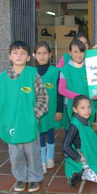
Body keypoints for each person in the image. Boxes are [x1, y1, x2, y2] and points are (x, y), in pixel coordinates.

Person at [0, 41, 48, 192]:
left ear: (28, 57)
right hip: (11, 124)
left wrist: (33, 117)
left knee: (32, 153)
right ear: (9, 56)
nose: (19, 56)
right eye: (15, 53)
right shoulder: (1, 79)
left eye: (23, 53)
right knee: (15, 154)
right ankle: (20, 178)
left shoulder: (32, 75)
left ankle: (35, 178)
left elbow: (43, 98)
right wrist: (5, 118)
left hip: (29, 123)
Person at [62, 95, 97, 188]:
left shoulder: (84, 119)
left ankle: (86, 169)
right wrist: (78, 157)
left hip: (87, 154)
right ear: (75, 109)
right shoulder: (74, 125)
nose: (87, 110)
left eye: (89, 107)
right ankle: (82, 173)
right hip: (82, 159)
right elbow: (65, 146)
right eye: (83, 108)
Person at [34, 41, 63, 174]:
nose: (42, 56)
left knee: (50, 133)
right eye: (39, 53)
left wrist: (59, 110)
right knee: (40, 134)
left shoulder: (56, 71)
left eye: (45, 53)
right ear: (34, 55)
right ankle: (42, 159)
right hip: (38, 111)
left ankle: (50, 157)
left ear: (50, 54)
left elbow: (60, 93)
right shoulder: (31, 72)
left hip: (51, 110)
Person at [58, 40, 97, 126]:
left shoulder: (89, 68)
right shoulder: (65, 70)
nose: (79, 55)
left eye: (81, 51)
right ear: (70, 52)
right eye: (75, 51)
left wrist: (95, 94)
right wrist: (78, 97)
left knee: (86, 130)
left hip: (87, 106)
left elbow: (94, 85)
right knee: (74, 131)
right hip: (73, 105)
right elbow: (61, 90)